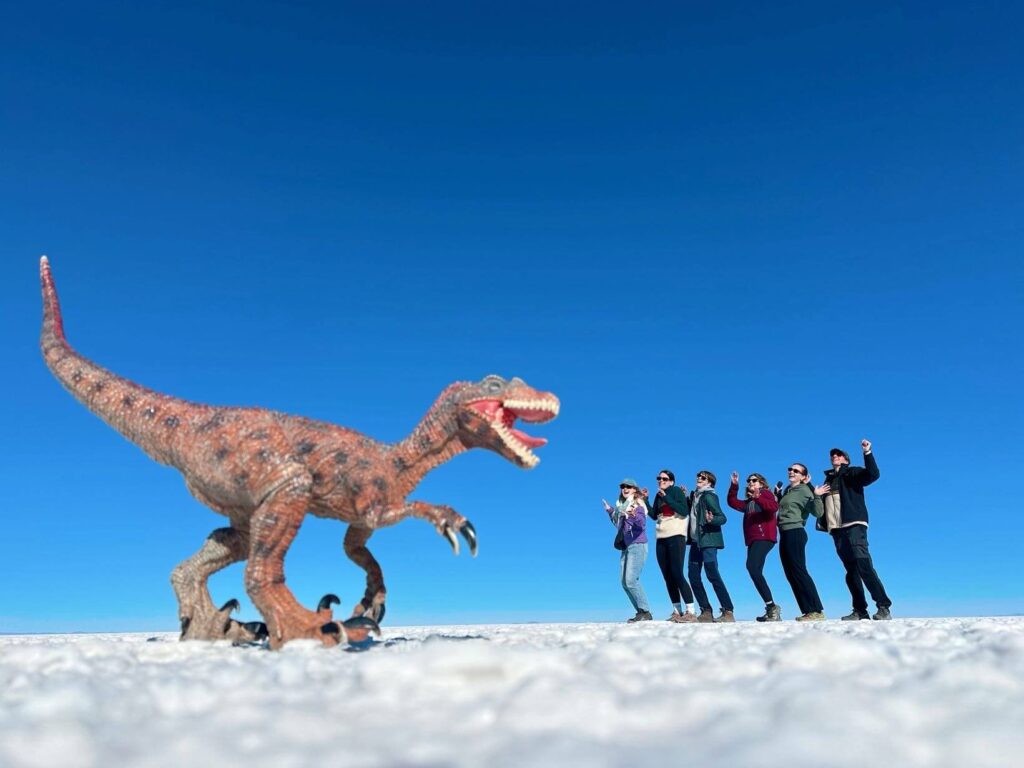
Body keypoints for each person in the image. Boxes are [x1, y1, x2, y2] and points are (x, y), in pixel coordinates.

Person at [814, 440, 893, 621]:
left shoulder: (852, 472)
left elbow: (873, 474)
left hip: (854, 525)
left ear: (846, 460)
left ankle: (883, 606)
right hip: (836, 529)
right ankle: (860, 610)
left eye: (839, 454)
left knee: (863, 564)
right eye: (833, 455)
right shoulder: (829, 480)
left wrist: (867, 452)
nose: (835, 456)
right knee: (851, 571)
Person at [644, 469, 697, 623]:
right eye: (659, 478)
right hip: (661, 537)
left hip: (676, 536)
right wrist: (647, 500)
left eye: (665, 479)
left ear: (671, 481)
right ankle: (677, 610)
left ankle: (691, 611)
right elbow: (654, 515)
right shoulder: (659, 494)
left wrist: (666, 497)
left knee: (677, 573)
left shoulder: (675, 492)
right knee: (667, 576)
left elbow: (683, 511)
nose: (661, 481)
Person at [728, 471, 781, 621]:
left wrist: (758, 497)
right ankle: (771, 608)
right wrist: (734, 485)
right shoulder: (749, 502)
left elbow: (773, 507)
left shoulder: (766, 494)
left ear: (762, 483)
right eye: (749, 480)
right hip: (753, 540)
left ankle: (772, 608)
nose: (751, 482)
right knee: (754, 570)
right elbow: (732, 502)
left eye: (754, 480)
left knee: (752, 567)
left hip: (764, 537)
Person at [777, 463, 826, 621]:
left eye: (796, 470)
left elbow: (817, 512)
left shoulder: (805, 490)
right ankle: (807, 611)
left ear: (803, 476)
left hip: (795, 532)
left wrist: (816, 494)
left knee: (799, 571)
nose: (791, 471)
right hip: (784, 533)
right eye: (790, 469)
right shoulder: (788, 491)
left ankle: (816, 610)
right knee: (790, 574)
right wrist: (778, 496)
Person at [687, 470, 735, 622]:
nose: (699, 479)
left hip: (708, 541)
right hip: (696, 542)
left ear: (709, 482)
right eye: (698, 477)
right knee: (693, 576)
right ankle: (706, 611)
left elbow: (722, 518)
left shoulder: (709, 496)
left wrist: (712, 519)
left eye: (703, 478)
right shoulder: (696, 496)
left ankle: (728, 611)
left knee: (712, 573)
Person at [603, 478, 652, 622]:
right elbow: (619, 525)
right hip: (626, 546)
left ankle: (645, 611)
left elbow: (642, 523)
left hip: (638, 545)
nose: (625, 489)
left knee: (631, 580)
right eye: (623, 486)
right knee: (624, 582)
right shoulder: (622, 507)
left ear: (634, 490)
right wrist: (610, 510)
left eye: (628, 487)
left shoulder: (637, 504)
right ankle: (640, 612)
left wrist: (634, 515)